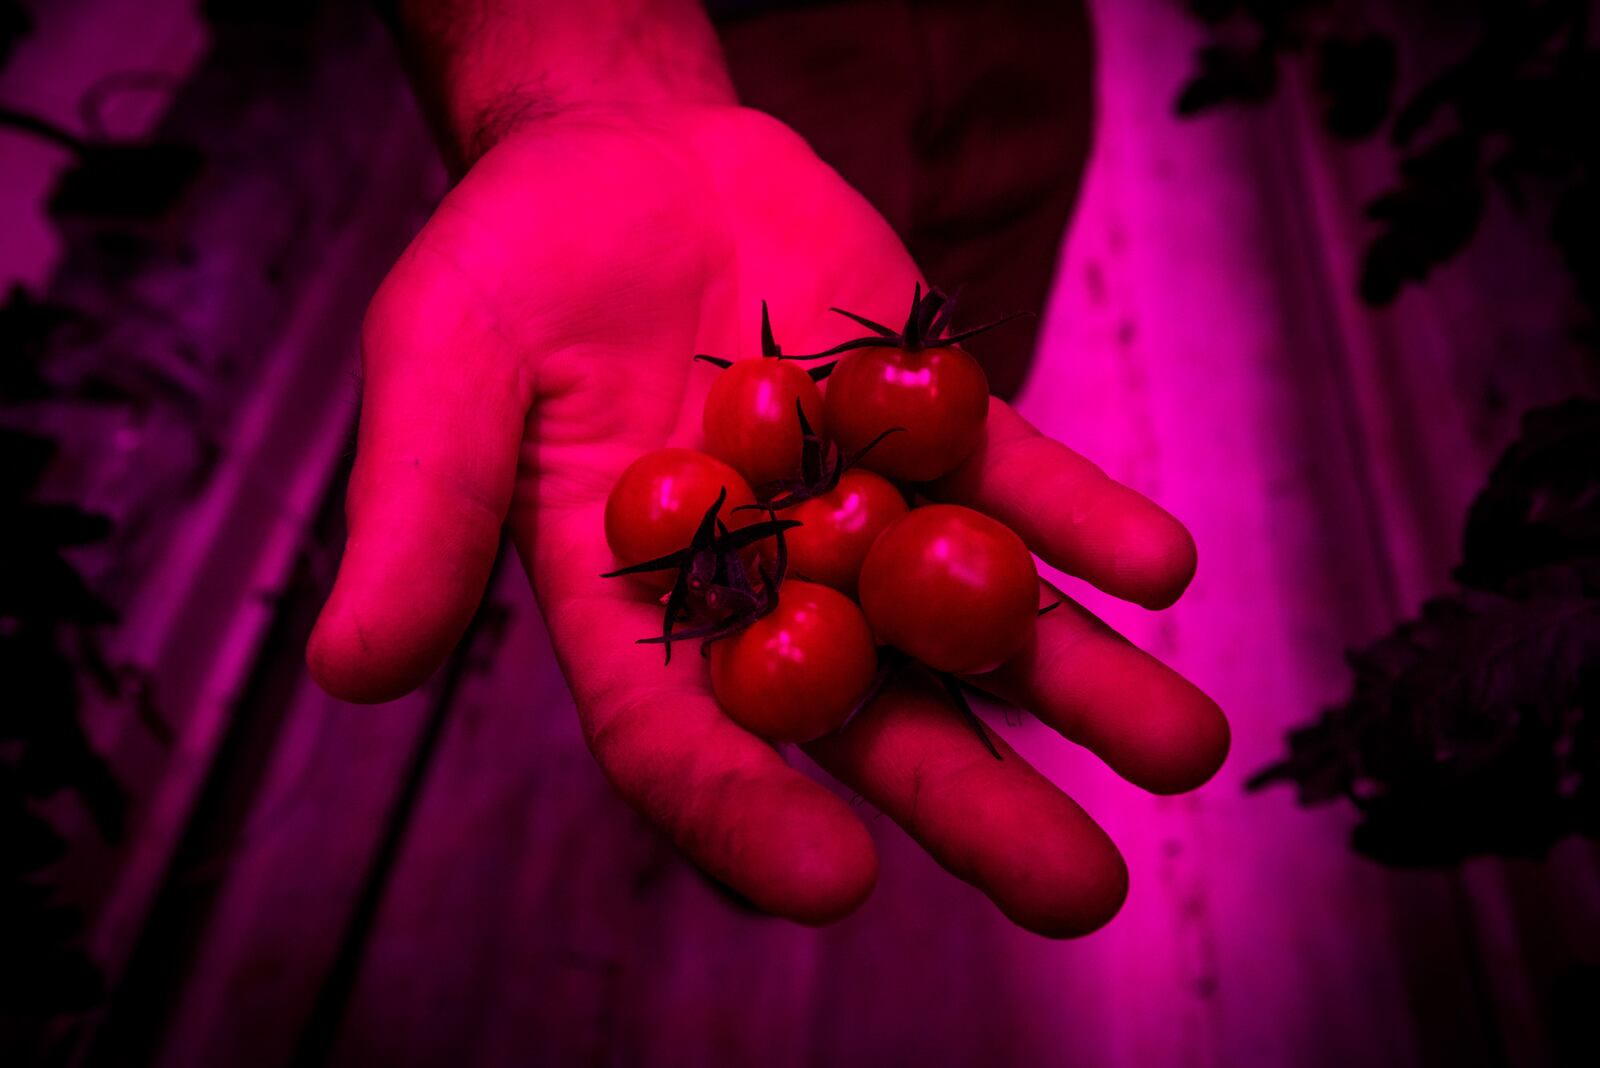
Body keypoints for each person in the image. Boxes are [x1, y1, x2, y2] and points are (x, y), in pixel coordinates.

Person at [306, 0, 1230, 938]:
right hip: (740, 49)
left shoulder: (829, 483)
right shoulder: (775, 524)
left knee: (977, 344)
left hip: (1022, 50)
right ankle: (749, 816)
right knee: (765, 785)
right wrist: (590, 82)